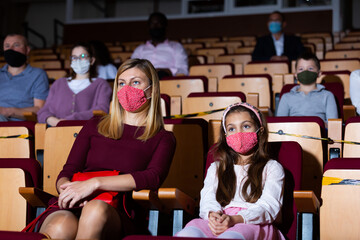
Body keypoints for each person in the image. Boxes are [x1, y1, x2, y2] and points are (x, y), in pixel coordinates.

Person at [38, 58, 176, 239]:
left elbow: (153, 177)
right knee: (60, 225)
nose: (127, 88)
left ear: (152, 89)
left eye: (135, 82)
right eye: (121, 83)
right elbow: (69, 170)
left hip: (119, 210)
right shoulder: (94, 125)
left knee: (94, 210)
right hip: (76, 201)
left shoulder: (163, 138)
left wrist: (95, 184)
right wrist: (67, 191)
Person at [176, 102, 285, 239]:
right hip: (221, 220)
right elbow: (208, 198)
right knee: (189, 232)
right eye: (232, 129)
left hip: (253, 223)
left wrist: (235, 219)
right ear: (225, 135)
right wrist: (214, 215)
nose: (239, 133)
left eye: (246, 126)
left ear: (260, 131)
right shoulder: (216, 168)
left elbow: (269, 206)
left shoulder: (272, 167)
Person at [37, 42, 112, 126]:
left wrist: (70, 120)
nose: (78, 60)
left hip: (86, 131)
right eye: (74, 57)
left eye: (83, 56)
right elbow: (44, 111)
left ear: (92, 60)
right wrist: (53, 121)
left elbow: (102, 110)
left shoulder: (101, 84)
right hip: (56, 131)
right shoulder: (59, 83)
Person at [276, 52, 338, 123]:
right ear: (295, 74)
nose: (305, 72)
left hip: (318, 132)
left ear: (319, 73)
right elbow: (279, 124)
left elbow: (333, 125)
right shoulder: (286, 97)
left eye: (310, 68)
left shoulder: (327, 95)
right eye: (301, 69)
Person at [0, 33, 49, 121]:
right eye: (7, 46)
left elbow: (39, 109)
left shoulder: (38, 75)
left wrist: (7, 111)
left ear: (27, 50)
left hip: (20, 128)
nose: (11, 49)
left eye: (16, 45)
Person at [131, 12, 189, 77]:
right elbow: (132, 69)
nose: (155, 26)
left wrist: (167, 71)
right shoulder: (140, 49)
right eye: (152, 23)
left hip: (168, 81)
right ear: (148, 26)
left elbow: (183, 70)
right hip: (145, 80)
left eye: (158, 23)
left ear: (165, 25)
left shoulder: (177, 47)